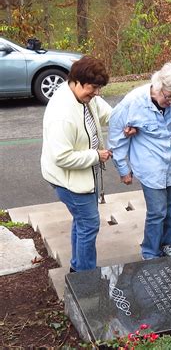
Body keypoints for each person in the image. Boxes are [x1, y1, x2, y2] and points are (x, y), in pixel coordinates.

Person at [108, 62, 171, 260]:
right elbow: (116, 138)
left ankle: (168, 244)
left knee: (170, 207)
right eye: (168, 97)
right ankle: (150, 252)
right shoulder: (133, 103)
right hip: (150, 166)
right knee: (157, 212)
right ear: (157, 87)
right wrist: (123, 169)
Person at [41, 56, 113, 272]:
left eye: (99, 88)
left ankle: (77, 268)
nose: (97, 94)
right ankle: (85, 277)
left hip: (83, 176)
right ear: (76, 81)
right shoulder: (62, 114)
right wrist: (95, 156)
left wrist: (126, 122)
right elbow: (61, 157)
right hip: (69, 181)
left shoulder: (85, 98)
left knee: (82, 222)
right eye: (93, 88)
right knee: (89, 224)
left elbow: (108, 114)